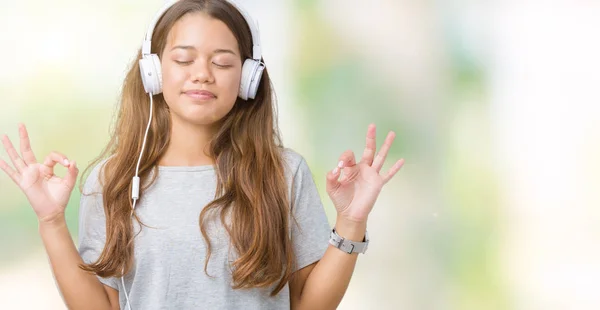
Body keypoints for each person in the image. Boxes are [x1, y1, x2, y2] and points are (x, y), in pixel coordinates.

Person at [0, 0, 404, 309]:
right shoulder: (113, 180)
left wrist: (352, 220)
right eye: (184, 59)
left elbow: (308, 303)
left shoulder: (282, 172)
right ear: (153, 72)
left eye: (222, 62)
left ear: (247, 78)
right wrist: (51, 220)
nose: (202, 73)